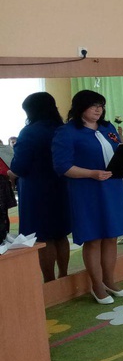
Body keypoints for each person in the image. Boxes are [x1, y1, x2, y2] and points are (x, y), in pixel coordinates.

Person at [52, 90, 123, 304]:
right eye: (94, 105)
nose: (99, 110)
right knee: (94, 238)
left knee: (112, 236)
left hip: (112, 188)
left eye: (101, 106)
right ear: (80, 107)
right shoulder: (67, 132)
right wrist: (91, 173)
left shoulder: (107, 127)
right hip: (86, 190)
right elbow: (62, 166)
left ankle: (110, 281)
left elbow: (118, 152)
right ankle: (97, 286)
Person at [9, 92, 71, 282]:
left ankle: (49, 281)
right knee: (60, 234)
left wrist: (11, 172)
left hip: (37, 191)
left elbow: (20, 166)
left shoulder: (29, 132)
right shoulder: (63, 129)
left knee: (43, 237)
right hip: (62, 187)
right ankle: (64, 275)